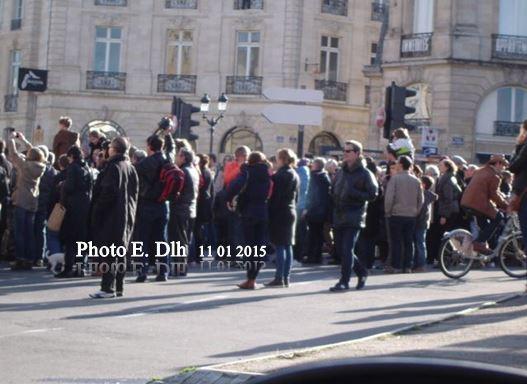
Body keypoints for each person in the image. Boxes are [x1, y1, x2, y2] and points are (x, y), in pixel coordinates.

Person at [89, 137, 139, 299]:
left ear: (114, 149)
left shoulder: (113, 167)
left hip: (112, 215)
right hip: (127, 214)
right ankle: (119, 286)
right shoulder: (130, 168)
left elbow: (107, 193)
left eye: (110, 147)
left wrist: (97, 210)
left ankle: (107, 287)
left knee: (109, 252)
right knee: (121, 252)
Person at [330, 140, 378, 292]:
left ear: (357, 153)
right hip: (339, 214)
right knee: (340, 250)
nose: (345, 153)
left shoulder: (365, 173)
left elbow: (373, 194)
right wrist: (334, 194)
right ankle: (362, 271)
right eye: (344, 151)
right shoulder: (341, 171)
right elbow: (334, 188)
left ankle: (344, 281)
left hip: (354, 215)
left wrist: (354, 193)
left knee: (346, 249)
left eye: (348, 151)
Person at [226, 151, 271, 290]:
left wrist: (229, 198)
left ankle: (250, 279)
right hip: (263, 211)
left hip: (249, 212)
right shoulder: (268, 173)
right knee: (259, 246)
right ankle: (253, 278)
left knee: (248, 246)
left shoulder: (247, 172)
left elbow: (233, 186)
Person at [134, 134, 171, 282]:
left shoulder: (145, 163)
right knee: (161, 239)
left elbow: (135, 178)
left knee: (141, 239)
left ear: (149, 146)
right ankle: (163, 271)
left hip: (146, 204)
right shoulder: (168, 160)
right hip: (163, 204)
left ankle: (141, 272)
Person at [8, 132, 46, 270]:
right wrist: (24, 140)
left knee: (20, 231)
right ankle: (30, 258)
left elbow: (13, 154)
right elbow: (36, 153)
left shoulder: (25, 166)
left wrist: (12, 139)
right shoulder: (41, 166)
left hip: (22, 200)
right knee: (29, 231)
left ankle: (20, 258)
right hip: (33, 201)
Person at [55, 145, 93, 278]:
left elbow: (70, 187)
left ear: (71, 156)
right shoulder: (86, 167)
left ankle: (68, 268)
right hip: (85, 207)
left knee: (70, 239)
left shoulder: (72, 168)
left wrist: (63, 184)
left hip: (72, 207)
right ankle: (80, 268)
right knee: (81, 239)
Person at [461, 155, 509, 255]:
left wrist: (503, 201)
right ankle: (479, 243)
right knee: (498, 217)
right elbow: (494, 194)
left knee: (486, 227)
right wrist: (506, 206)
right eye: (503, 165)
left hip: (466, 202)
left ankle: (485, 249)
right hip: (478, 204)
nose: (504, 168)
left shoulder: (481, 171)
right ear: (498, 164)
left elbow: (495, 192)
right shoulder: (494, 176)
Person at [266, 149, 300, 288]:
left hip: (280, 211)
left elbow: (275, 197)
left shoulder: (279, 175)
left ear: (281, 159)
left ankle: (279, 277)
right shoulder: (294, 174)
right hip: (291, 210)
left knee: (280, 245)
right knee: (287, 245)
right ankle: (286, 277)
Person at [384, 156, 423, 273]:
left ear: (400, 165)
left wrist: (388, 211)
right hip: (411, 215)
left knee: (396, 241)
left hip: (396, 214)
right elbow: (421, 199)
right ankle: (407, 266)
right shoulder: (416, 180)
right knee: (408, 242)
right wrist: (416, 211)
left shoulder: (395, 179)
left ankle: (396, 266)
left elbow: (389, 197)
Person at [169, 146, 199, 273]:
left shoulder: (183, 171)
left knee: (178, 240)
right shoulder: (194, 170)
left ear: (184, 157)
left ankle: (179, 267)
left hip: (181, 208)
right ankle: (181, 266)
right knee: (185, 239)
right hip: (191, 209)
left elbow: (177, 191)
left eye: (178, 155)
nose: (176, 157)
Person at [303, 158, 331, 264]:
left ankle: (311, 256)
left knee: (313, 234)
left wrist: (307, 209)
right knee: (318, 235)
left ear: (316, 165)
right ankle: (317, 256)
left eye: (313, 164)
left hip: (314, 210)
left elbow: (312, 195)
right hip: (322, 210)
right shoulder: (325, 176)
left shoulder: (315, 177)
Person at [34, 146, 58, 265]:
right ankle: (40, 255)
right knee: (41, 230)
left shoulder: (39, 169)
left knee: (36, 229)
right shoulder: (52, 171)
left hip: (38, 200)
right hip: (47, 202)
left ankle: (37, 255)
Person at [413, 176, 438, 272]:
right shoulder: (430, 195)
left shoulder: (423, 194)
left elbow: (420, 210)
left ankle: (421, 264)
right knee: (420, 242)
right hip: (424, 222)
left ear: (423, 184)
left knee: (419, 243)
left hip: (420, 221)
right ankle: (419, 264)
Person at [195, 154, 214, 254]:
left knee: (197, 230)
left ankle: (197, 253)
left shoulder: (200, 172)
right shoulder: (208, 172)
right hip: (206, 202)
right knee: (201, 229)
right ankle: (200, 253)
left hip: (200, 202)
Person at [294, 158, 310, 262]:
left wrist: (304, 206)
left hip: (299, 206)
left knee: (299, 232)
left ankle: (298, 255)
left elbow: (303, 190)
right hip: (301, 206)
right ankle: (299, 254)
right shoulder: (305, 171)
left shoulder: (302, 171)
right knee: (300, 232)